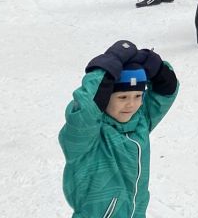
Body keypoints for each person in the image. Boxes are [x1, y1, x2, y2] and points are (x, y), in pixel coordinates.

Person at [59, 40, 179, 218]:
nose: (131, 104)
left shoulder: (140, 122)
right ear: (105, 96)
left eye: (138, 95)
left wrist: (157, 67)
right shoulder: (88, 134)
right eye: (122, 97)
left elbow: (166, 91)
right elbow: (86, 108)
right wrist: (107, 65)